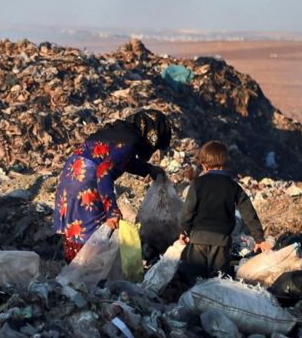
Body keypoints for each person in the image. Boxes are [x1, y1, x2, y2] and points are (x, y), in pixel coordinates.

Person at [53, 109, 171, 263]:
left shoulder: (120, 133)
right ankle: (83, 272)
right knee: (91, 230)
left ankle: (73, 271)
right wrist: (112, 211)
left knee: (76, 226)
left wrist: (148, 169)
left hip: (72, 175)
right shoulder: (129, 142)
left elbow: (120, 161)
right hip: (87, 181)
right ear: (152, 135)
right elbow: (104, 170)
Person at [179, 140, 271, 281]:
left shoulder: (197, 184)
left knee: (194, 280)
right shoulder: (233, 187)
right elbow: (248, 213)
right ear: (225, 163)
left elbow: (188, 211)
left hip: (198, 239)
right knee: (218, 281)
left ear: (204, 165)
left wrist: (184, 231)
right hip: (221, 243)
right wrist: (259, 239)